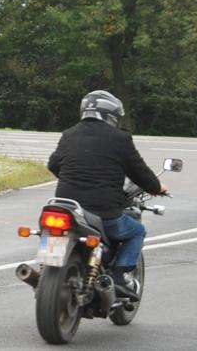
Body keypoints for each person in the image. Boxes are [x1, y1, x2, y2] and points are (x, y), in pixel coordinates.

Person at [46, 90, 167, 297]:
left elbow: (53, 165)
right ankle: (120, 276)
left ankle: (47, 271)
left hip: (65, 206)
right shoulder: (120, 138)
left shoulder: (69, 134)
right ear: (111, 115)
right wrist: (157, 187)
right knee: (137, 231)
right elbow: (140, 172)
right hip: (102, 210)